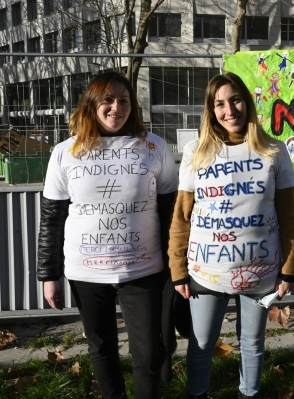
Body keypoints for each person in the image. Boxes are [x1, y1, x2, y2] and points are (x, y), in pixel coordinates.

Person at [36, 71, 178, 399]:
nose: (117, 107)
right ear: (91, 105)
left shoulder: (153, 146)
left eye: (124, 100)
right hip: (85, 271)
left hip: (143, 270)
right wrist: (49, 274)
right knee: (101, 348)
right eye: (108, 100)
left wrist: (176, 265)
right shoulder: (65, 152)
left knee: (148, 354)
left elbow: (171, 213)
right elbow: (52, 219)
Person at [168, 72, 294, 399]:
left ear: (248, 102)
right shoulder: (196, 151)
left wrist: (288, 269)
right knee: (201, 344)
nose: (230, 110)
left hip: (260, 273)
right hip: (205, 273)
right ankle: (198, 394)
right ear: (211, 111)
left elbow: (288, 217)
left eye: (236, 100)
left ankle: (248, 394)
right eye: (220, 104)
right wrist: (177, 269)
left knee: (252, 343)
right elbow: (182, 218)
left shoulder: (273, 150)